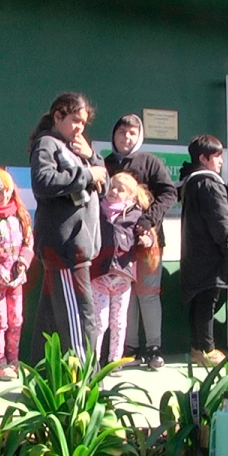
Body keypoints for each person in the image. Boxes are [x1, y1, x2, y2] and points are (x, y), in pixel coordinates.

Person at [29, 92, 107, 362]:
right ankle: (85, 387)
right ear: (58, 115)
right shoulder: (47, 144)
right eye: (75, 120)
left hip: (75, 247)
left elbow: (103, 183)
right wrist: (88, 174)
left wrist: (93, 158)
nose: (80, 128)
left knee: (50, 322)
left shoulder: (76, 148)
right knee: (80, 318)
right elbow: (43, 181)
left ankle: (41, 382)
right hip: (65, 249)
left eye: (84, 123)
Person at [104, 114, 177, 369]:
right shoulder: (106, 164)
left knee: (147, 294)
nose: (127, 137)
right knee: (125, 294)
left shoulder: (150, 162)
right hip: (115, 246)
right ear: (114, 135)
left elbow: (170, 193)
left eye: (133, 133)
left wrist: (146, 222)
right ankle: (129, 347)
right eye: (122, 132)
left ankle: (154, 347)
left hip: (148, 242)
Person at [179, 134, 228, 368]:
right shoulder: (210, 183)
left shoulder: (191, 182)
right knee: (208, 301)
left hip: (195, 254)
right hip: (211, 254)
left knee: (199, 300)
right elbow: (221, 221)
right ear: (203, 158)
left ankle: (197, 347)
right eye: (217, 156)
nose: (221, 161)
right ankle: (207, 349)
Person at [91, 172, 153, 369]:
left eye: (120, 189)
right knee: (99, 321)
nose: (113, 191)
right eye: (112, 187)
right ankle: (92, 361)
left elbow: (146, 237)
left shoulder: (135, 215)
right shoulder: (97, 208)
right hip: (99, 274)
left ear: (131, 197)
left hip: (123, 276)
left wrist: (146, 241)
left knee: (118, 322)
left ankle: (114, 361)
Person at [0, 167, 34, 381]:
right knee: (0, 321)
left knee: (16, 319)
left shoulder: (20, 215)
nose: (5, 196)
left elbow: (29, 242)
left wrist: (23, 263)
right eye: (0, 192)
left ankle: (14, 360)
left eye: (8, 191)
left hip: (17, 278)